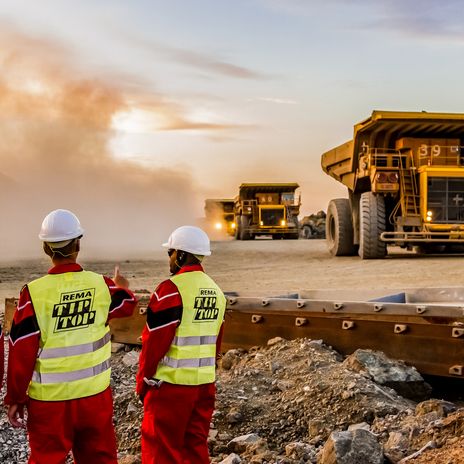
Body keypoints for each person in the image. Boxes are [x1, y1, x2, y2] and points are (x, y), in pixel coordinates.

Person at [5, 209, 138, 464]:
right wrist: (121, 285)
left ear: (46, 248)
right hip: (94, 397)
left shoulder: (33, 294)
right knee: (100, 458)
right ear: (78, 243)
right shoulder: (101, 285)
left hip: (49, 403)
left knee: (46, 458)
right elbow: (127, 304)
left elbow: (21, 350)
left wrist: (15, 398)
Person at [136, 225, 226, 464]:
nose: (170, 258)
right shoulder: (216, 292)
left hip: (171, 387)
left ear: (182, 255)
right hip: (204, 385)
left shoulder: (170, 290)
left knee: (161, 451)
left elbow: (153, 343)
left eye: (171, 253)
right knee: (194, 450)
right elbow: (215, 342)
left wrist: (143, 382)